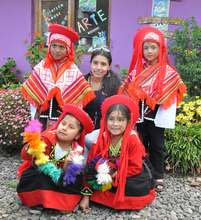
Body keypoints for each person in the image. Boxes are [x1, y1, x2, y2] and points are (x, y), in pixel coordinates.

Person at [118, 26, 186, 191]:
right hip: (139, 117)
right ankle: (142, 173)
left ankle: (158, 176)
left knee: (157, 146)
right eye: (146, 47)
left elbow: (176, 87)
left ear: (160, 49)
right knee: (139, 144)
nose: (149, 51)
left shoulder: (168, 72)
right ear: (141, 50)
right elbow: (126, 91)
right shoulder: (136, 71)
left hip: (157, 116)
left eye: (153, 47)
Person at [80, 95, 155, 212]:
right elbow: (90, 166)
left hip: (129, 172)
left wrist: (114, 175)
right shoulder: (102, 138)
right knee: (93, 174)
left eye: (120, 120)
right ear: (105, 120)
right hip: (109, 170)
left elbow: (135, 167)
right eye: (111, 119)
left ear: (128, 121)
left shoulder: (132, 139)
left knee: (132, 186)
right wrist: (85, 196)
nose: (115, 124)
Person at [17, 104, 94, 212]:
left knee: (75, 179)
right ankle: (42, 200)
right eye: (63, 123)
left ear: (77, 135)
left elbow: (76, 176)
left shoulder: (76, 150)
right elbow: (25, 156)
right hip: (41, 176)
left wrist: (67, 168)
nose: (64, 128)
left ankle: (59, 203)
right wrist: (32, 147)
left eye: (71, 127)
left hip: (60, 180)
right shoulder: (47, 138)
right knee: (40, 175)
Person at [22, 23, 95, 129]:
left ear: (68, 49)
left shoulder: (73, 71)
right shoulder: (41, 67)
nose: (57, 50)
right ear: (49, 46)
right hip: (42, 118)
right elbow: (33, 95)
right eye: (54, 46)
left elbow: (78, 100)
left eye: (61, 47)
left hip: (64, 122)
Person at [84, 47, 121, 129]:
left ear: (109, 66)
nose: (98, 68)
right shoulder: (82, 82)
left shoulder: (115, 85)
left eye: (103, 64)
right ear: (90, 63)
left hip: (105, 132)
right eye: (95, 63)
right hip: (81, 131)